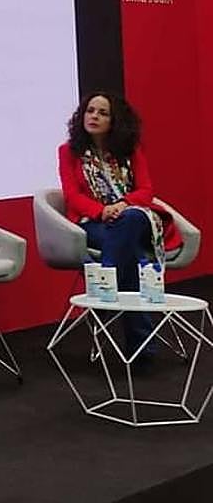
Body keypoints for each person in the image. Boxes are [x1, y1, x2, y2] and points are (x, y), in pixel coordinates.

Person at [58, 91, 180, 354]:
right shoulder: (69, 152)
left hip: (134, 218)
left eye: (102, 113)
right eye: (90, 110)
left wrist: (122, 205)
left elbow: (146, 190)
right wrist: (102, 211)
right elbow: (72, 196)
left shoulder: (130, 150)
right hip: (93, 222)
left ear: (114, 121)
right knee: (133, 256)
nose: (94, 116)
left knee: (131, 219)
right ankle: (142, 348)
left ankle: (106, 284)